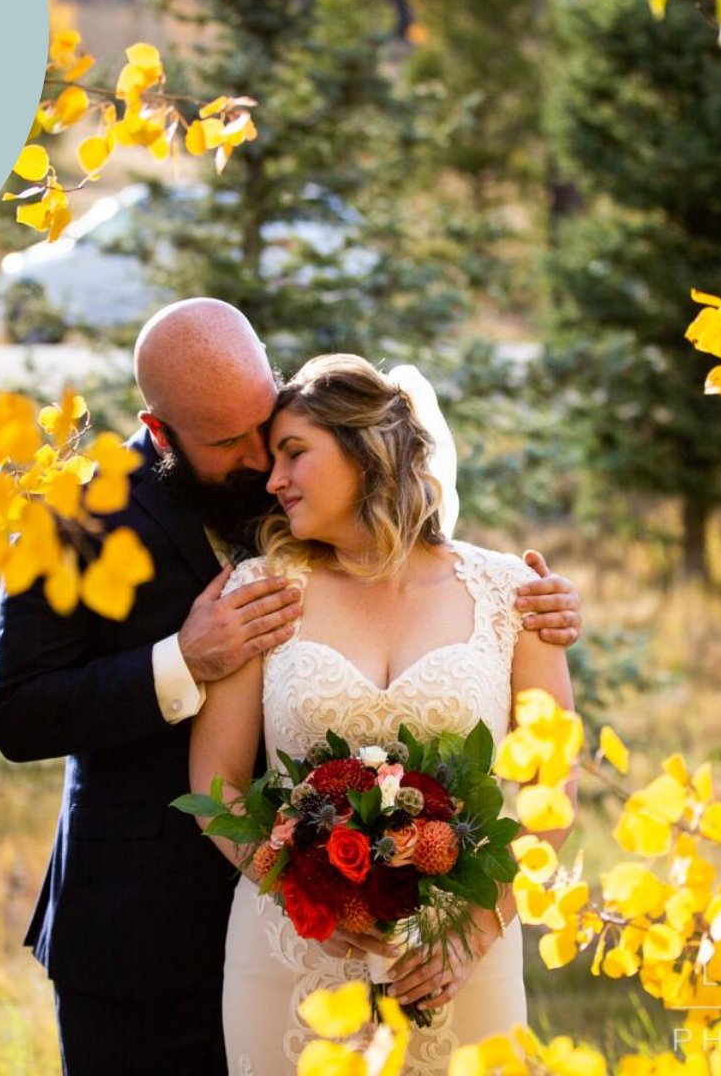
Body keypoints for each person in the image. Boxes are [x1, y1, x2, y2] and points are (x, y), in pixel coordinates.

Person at [0, 300, 581, 1076]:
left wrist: (543, 610)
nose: (261, 462)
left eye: (265, 427)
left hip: (355, 923)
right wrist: (182, 660)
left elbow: (403, 541)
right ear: (161, 433)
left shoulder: (299, 468)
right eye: (228, 443)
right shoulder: (71, 516)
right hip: (142, 924)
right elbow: (16, 713)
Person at [189, 353, 577, 1075]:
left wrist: (472, 935)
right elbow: (216, 784)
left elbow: (554, 792)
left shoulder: (511, 594)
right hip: (292, 954)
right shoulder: (262, 590)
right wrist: (296, 892)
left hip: (460, 958)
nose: (273, 480)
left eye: (294, 452)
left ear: (366, 451)